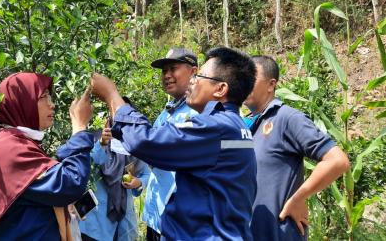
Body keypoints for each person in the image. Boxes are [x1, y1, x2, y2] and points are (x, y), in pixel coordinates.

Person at [91, 47, 258, 240]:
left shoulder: (215, 126)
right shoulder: (234, 124)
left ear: (220, 89)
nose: (193, 82)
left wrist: (112, 95)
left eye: (200, 77)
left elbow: (148, 142)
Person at [0, 72, 93, 241]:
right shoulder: (8, 150)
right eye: (44, 97)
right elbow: (70, 183)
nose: (52, 105)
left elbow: (51, 181)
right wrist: (79, 127)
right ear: (22, 102)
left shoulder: (15, 142)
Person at [243, 56, 350, 240]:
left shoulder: (287, 118)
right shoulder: (245, 125)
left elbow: (337, 161)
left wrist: (299, 198)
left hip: (279, 233)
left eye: (251, 78)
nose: (244, 83)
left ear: (271, 84)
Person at [142, 48, 198, 241]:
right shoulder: (166, 112)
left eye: (173, 68)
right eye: (164, 71)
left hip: (178, 222)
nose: (167, 75)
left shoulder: (201, 113)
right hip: (155, 216)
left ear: (193, 72)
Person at [79, 98, 151, 241]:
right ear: (109, 117)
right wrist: (102, 144)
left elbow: (147, 173)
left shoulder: (134, 147)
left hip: (124, 219)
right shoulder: (94, 139)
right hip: (95, 219)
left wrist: (138, 182)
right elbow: (86, 167)